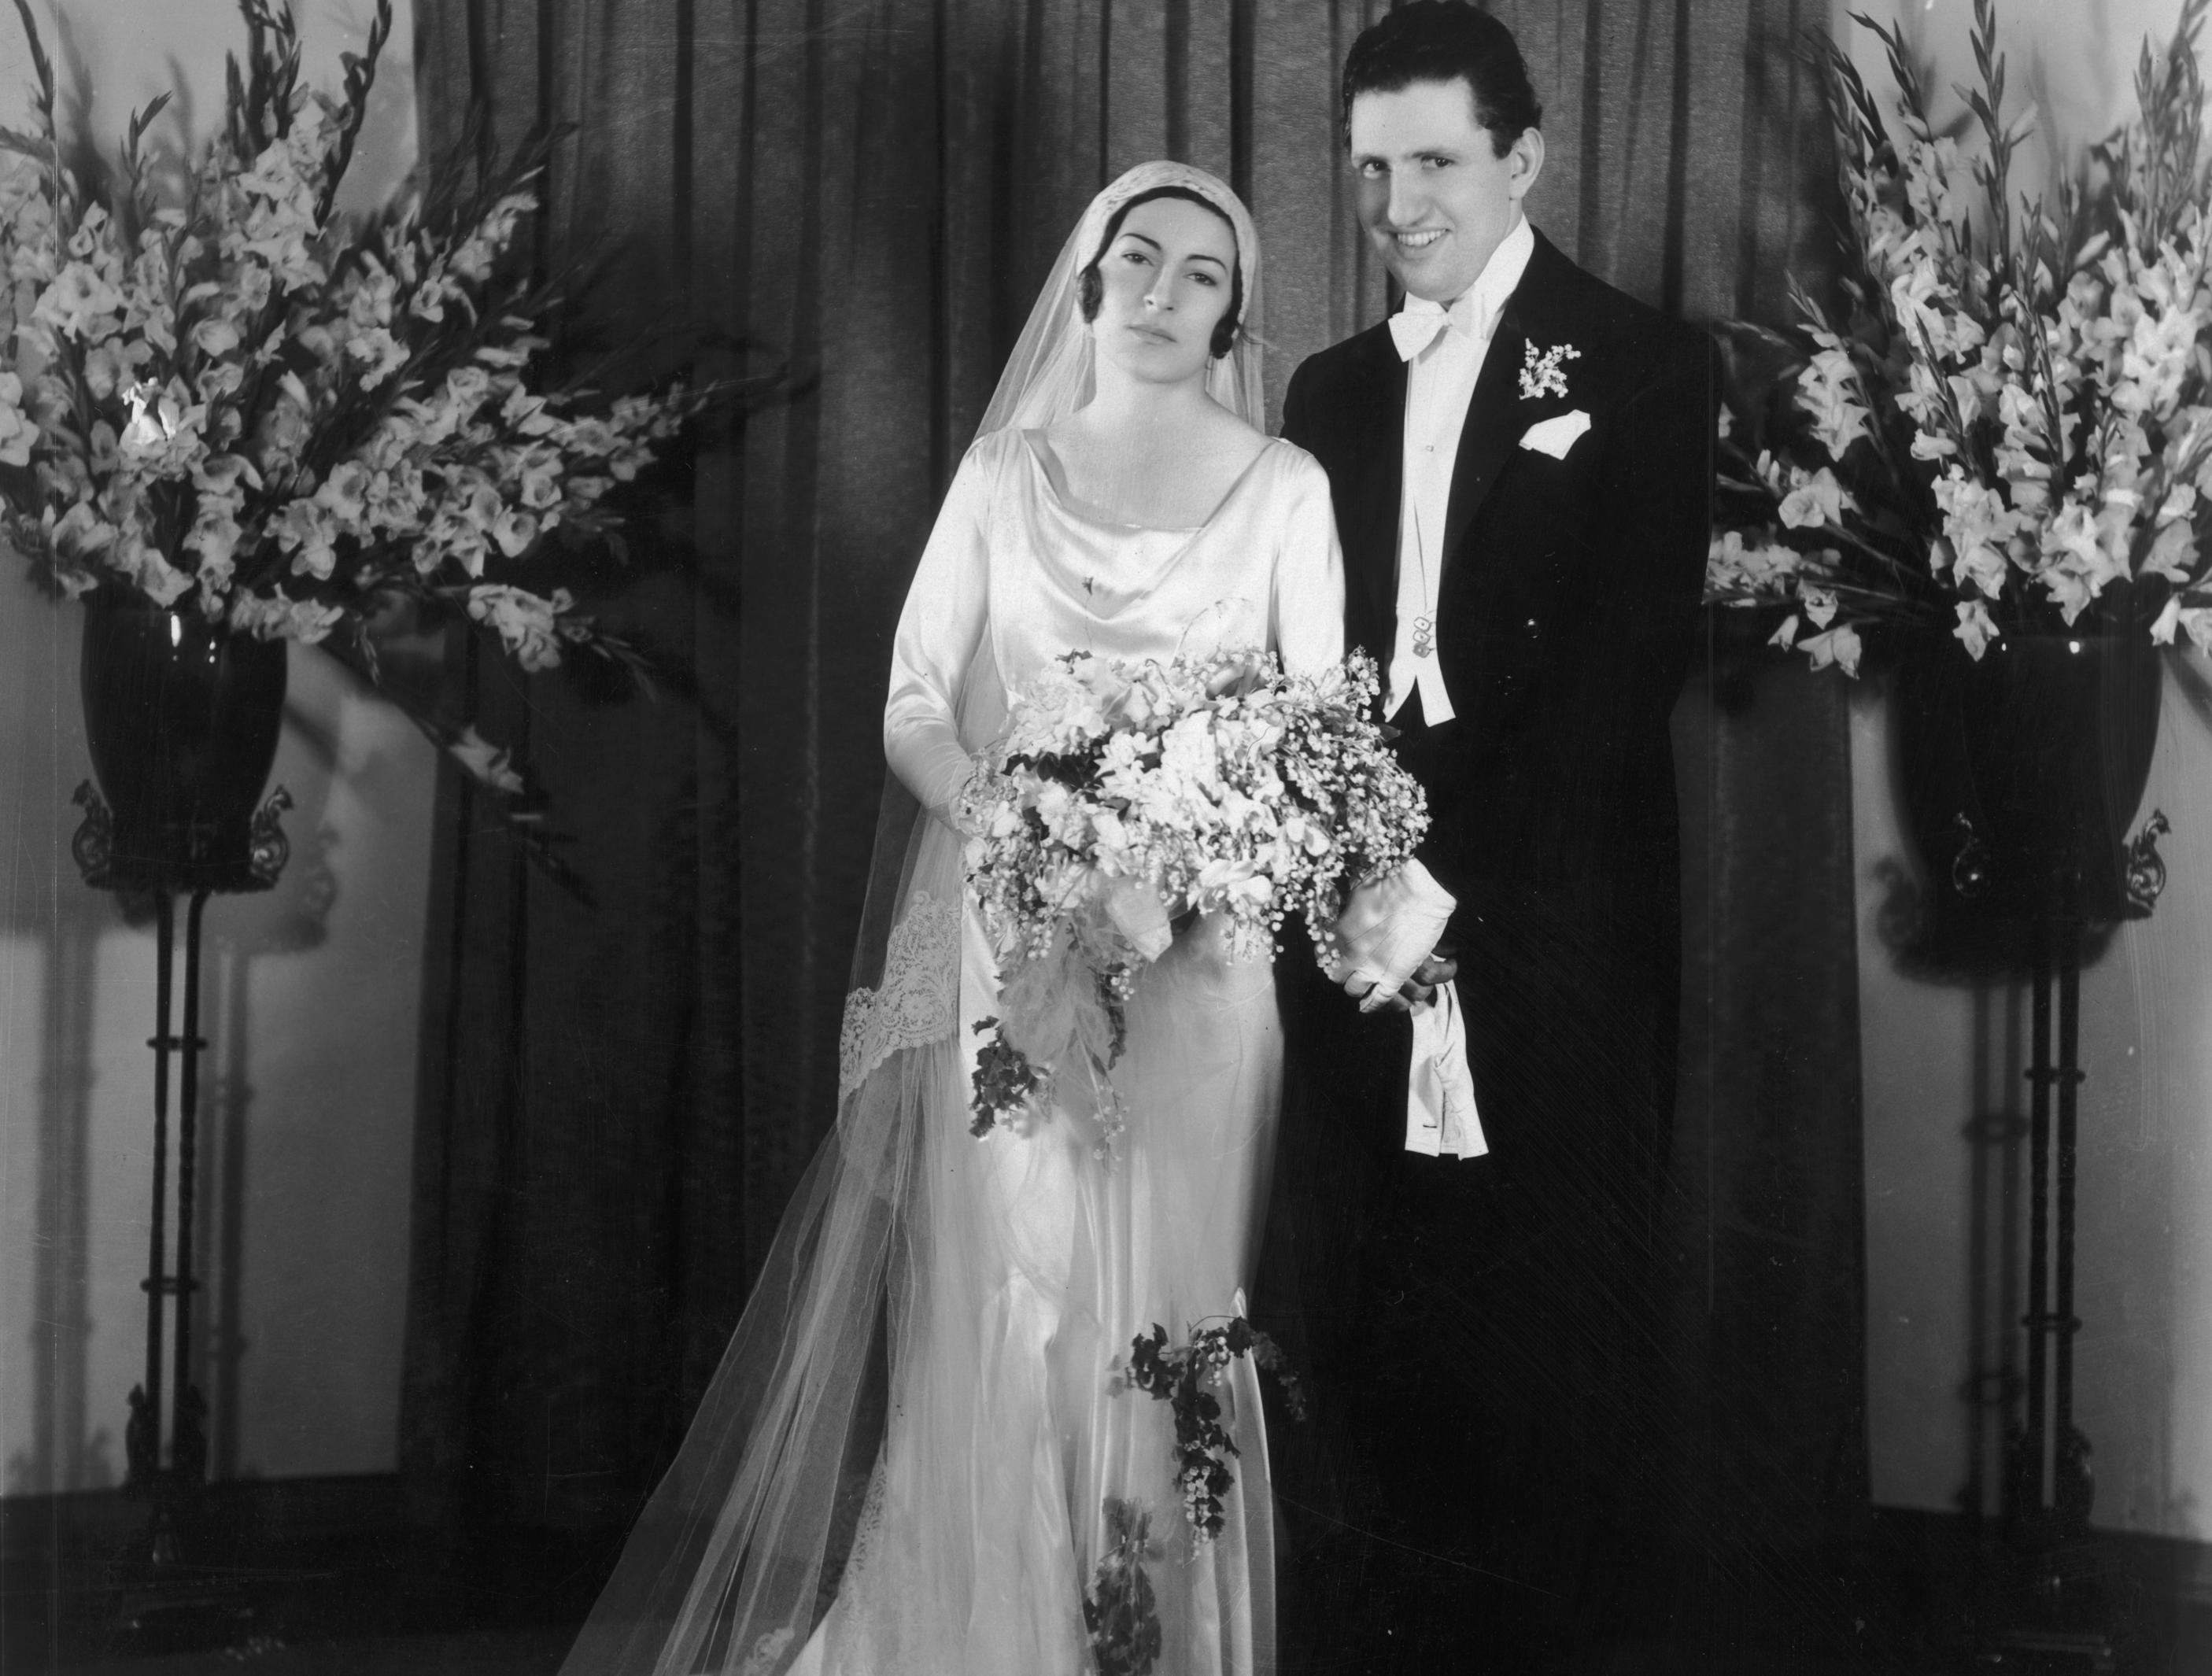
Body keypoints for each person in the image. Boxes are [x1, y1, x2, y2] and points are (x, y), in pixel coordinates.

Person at [559, 161, 1352, 1676]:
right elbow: (917, 701)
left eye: (1205, 274)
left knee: (1164, 1306)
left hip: (1197, 971)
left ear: (1236, 312)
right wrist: (1015, 822)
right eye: (1144, 259)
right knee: (1017, 1293)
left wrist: (1182, 862)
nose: (1169, 294)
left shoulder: (1287, 492)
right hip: (1019, 941)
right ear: (1092, 281)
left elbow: (1316, 736)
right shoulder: (1002, 474)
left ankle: (1152, 1646)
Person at [1267, 4, 1719, 1669]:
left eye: (1435, 162)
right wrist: (1341, 870)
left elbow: (1621, 674)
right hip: (1348, 907)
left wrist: (1433, 876)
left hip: (1552, 908)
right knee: (1377, 1297)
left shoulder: (1642, 363)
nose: (1397, 202)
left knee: (1548, 1314)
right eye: (1371, 166)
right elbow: (1297, 665)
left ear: (1521, 158)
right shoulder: (1322, 392)